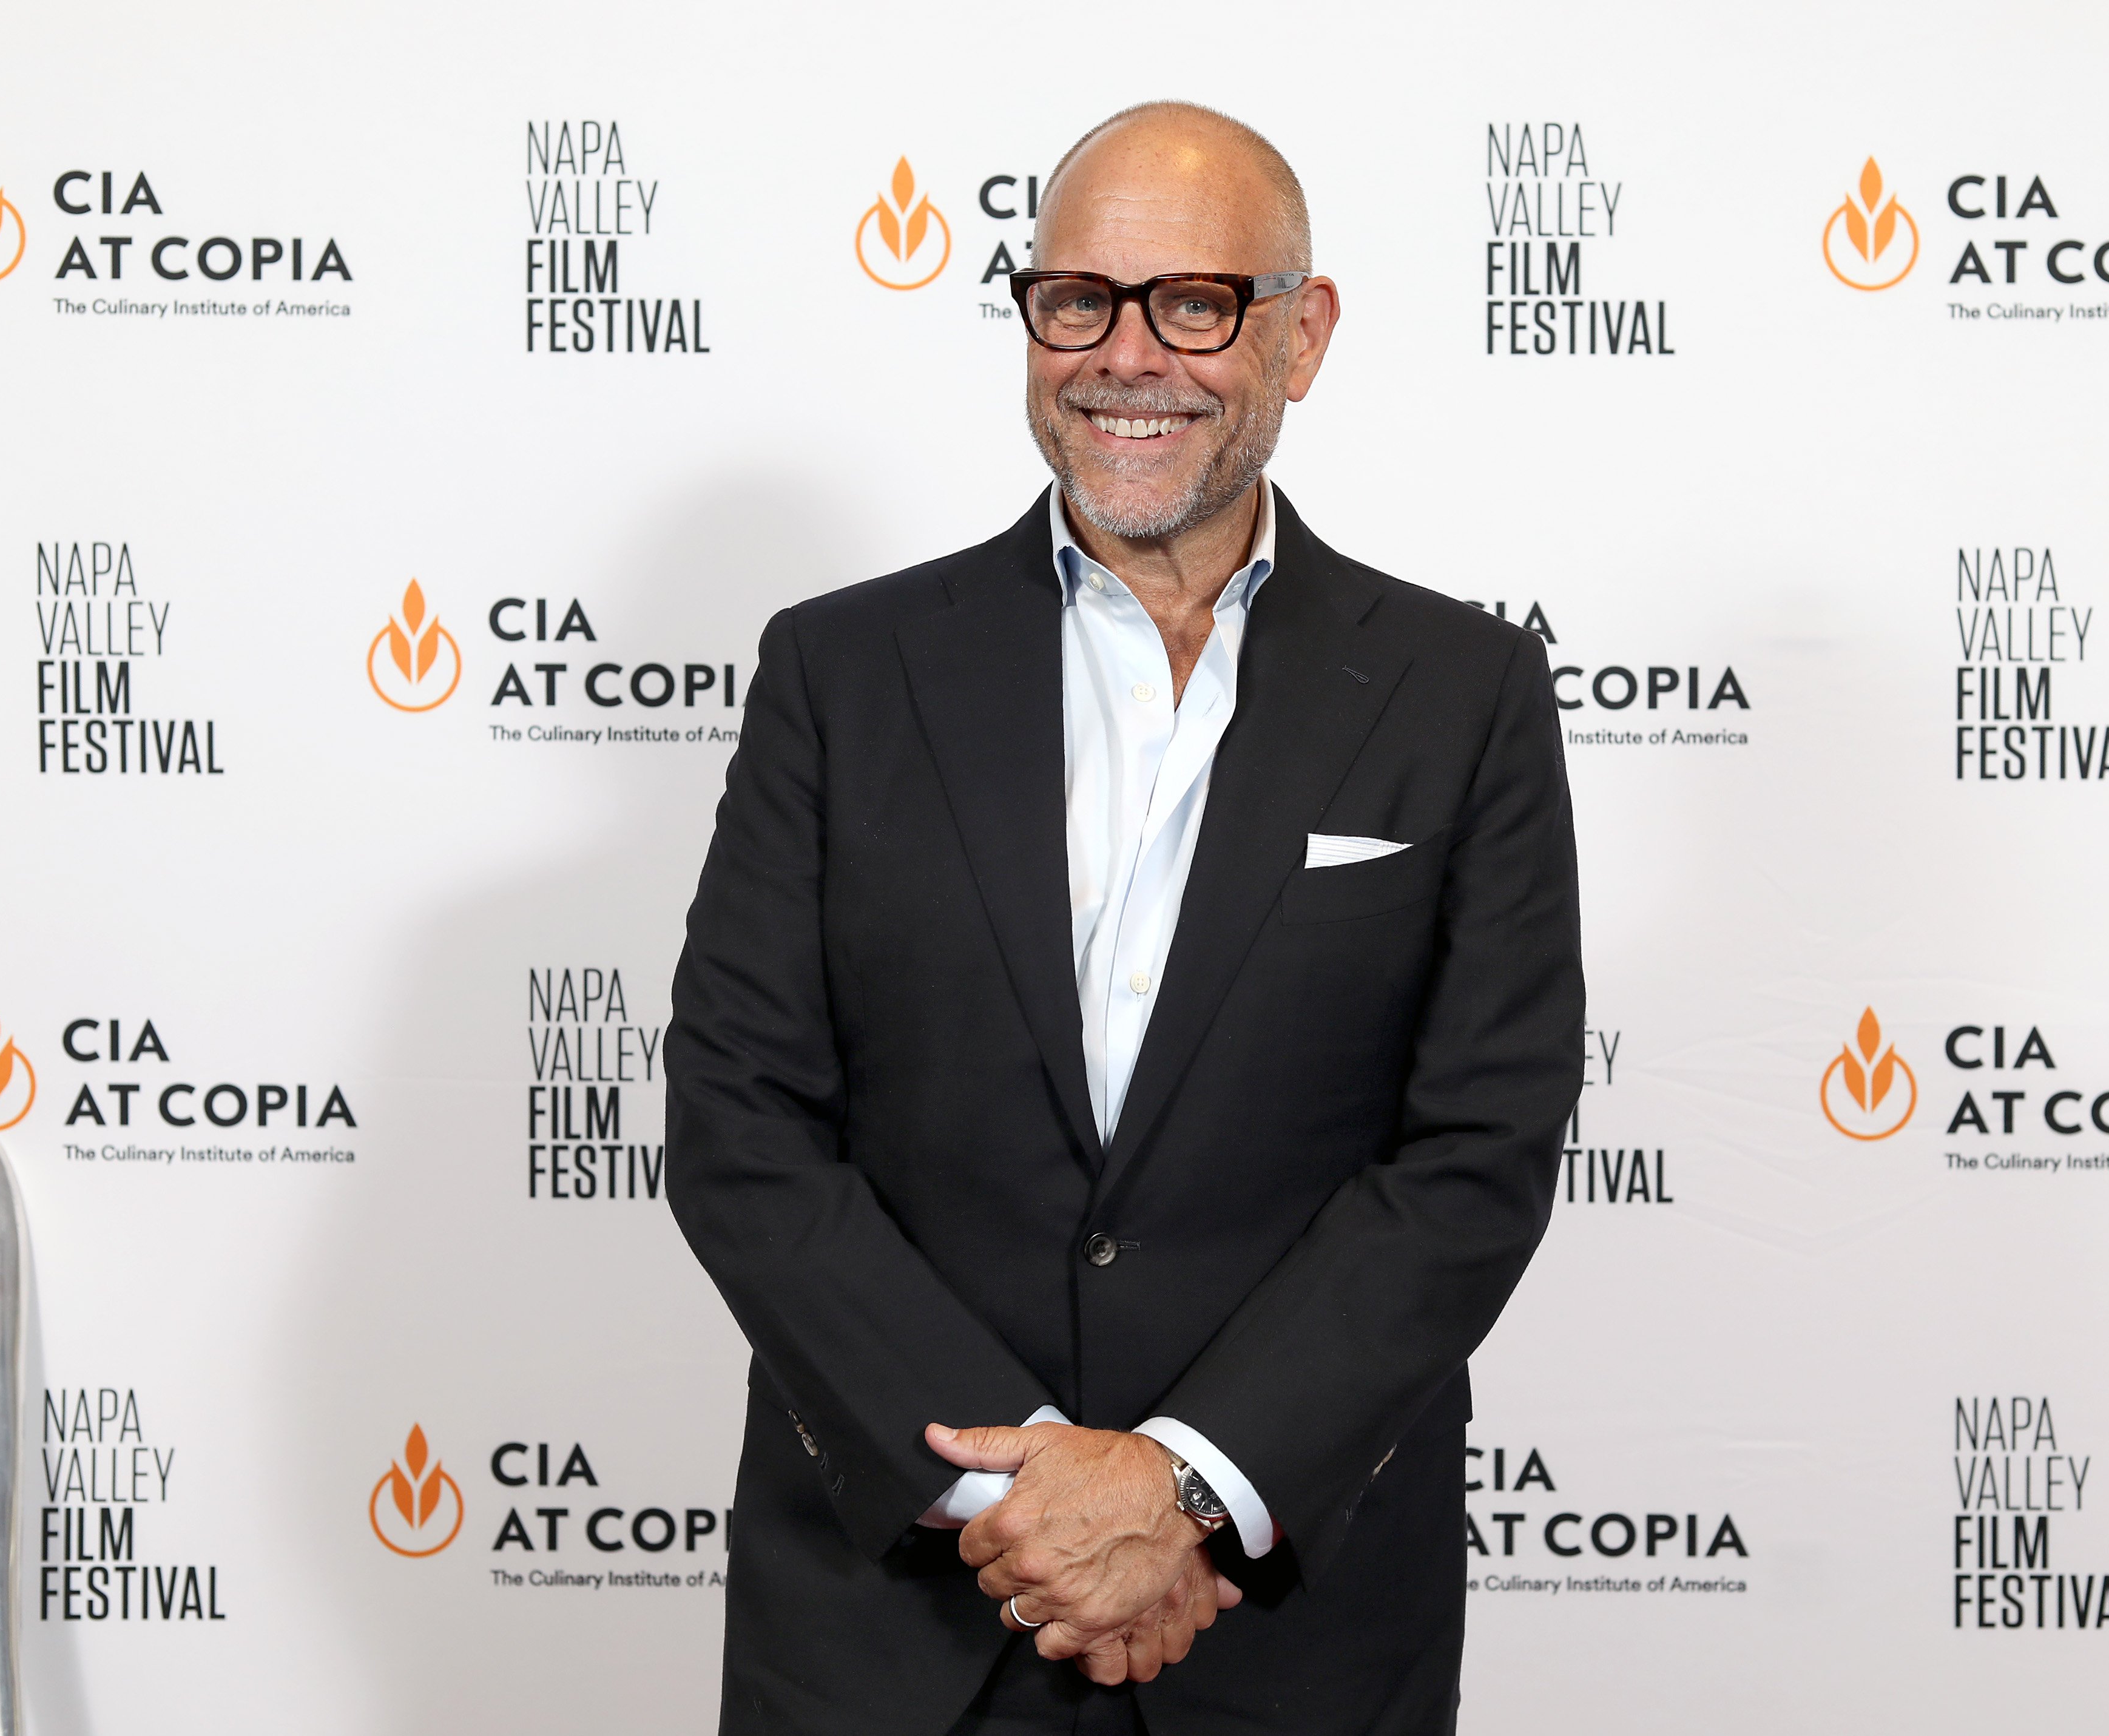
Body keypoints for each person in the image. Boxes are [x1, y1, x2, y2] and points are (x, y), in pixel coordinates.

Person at [664, 100, 1583, 1736]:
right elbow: (742, 1126)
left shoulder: (1461, 694)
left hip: (1272, 1624)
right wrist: (1019, 1503)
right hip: (897, 1621)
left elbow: (1476, 1150)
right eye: (1075, 299)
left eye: (1195, 305)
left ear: (1302, 336)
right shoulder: (841, 674)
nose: (1123, 356)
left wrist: (1179, 1488)